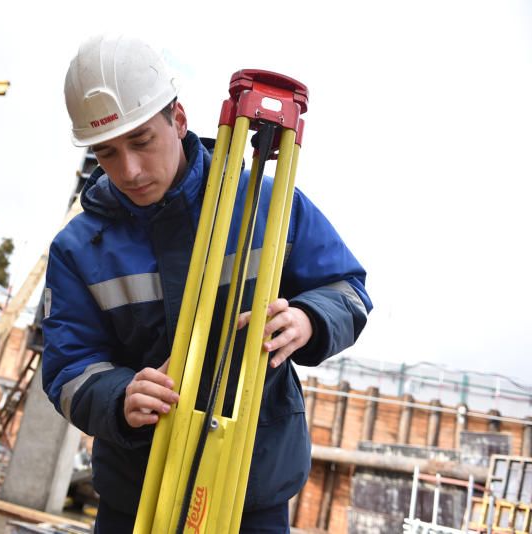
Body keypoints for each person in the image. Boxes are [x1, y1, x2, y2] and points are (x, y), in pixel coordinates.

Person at [42, 34, 372, 533]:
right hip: (136, 493)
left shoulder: (268, 205)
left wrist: (309, 319)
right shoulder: (78, 248)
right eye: (107, 153)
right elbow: (68, 368)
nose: (129, 170)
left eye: (141, 141)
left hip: (251, 488)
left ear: (177, 120)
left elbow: (348, 289)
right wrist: (118, 395)